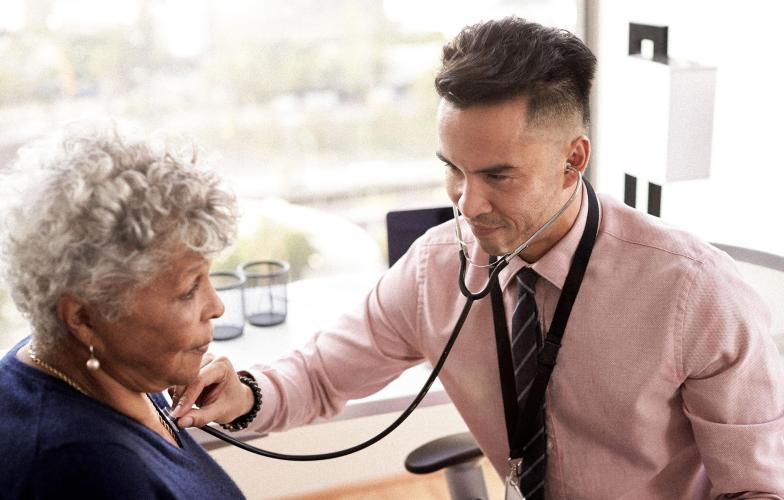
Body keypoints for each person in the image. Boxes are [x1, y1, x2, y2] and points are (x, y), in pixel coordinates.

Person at [172, 17, 784, 498]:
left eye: (498, 175)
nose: (467, 204)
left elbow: (760, 489)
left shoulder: (694, 294)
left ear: (574, 160)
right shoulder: (434, 268)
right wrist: (245, 394)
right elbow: (320, 375)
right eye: (453, 171)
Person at [0, 125, 249, 499]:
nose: (216, 307)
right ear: (84, 318)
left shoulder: (94, 366)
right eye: (189, 290)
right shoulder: (87, 471)